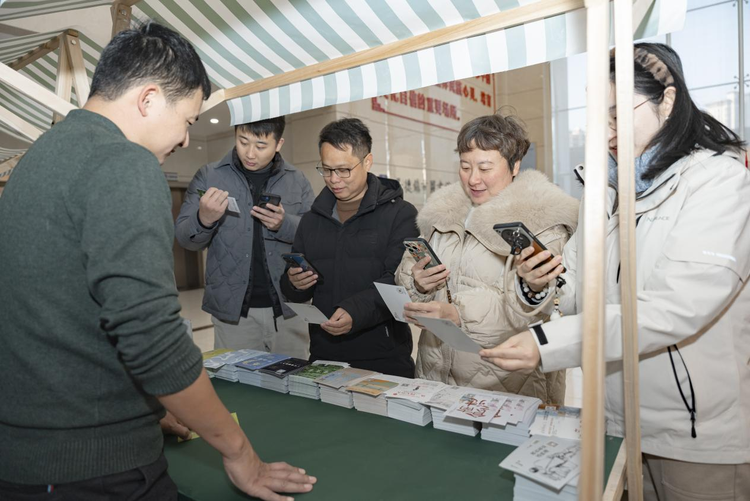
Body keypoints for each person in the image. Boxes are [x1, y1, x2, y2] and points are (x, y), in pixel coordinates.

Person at [0, 23, 314, 500]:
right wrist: (240, 454)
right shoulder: (124, 162)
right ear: (148, 99)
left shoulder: (41, 155)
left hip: (30, 451)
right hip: (93, 462)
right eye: (188, 120)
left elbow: (65, 312)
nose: (188, 140)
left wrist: (148, 405)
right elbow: (152, 338)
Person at [481, 43, 750, 500]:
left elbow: (675, 306)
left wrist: (550, 343)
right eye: (599, 118)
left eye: (617, 114)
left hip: (695, 433)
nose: (607, 131)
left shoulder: (719, 182)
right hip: (616, 420)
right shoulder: (605, 192)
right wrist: (537, 282)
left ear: (667, 101)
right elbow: (577, 292)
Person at [394, 114, 578, 403]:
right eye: (465, 167)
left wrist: (458, 314)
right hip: (435, 377)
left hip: (506, 384)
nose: (473, 179)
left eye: (485, 167)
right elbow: (406, 271)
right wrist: (418, 283)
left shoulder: (542, 224)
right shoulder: (444, 213)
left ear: (515, 165)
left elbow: (540, 310)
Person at [280, 118, 418, 377]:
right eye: (327, 169)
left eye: (344, 170)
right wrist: (293, 283)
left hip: (384, 355)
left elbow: (399, 280)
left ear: (367, 162)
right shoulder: (311, 220)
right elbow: (294, 287)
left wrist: (357, 311)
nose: (334, 179)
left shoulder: (400, 214)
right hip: (325, 353)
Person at [175, 117, 314, 359]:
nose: (250, 153)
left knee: (295, 387)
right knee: (238, 390)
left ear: (278, 143)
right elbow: (185, 239)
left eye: (261, 146)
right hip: (233, 315)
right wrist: (203, 219)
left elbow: (314, 234)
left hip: (289, 309)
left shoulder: (297, 180)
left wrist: (284, 224)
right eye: (243, 141)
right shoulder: (210, 176)